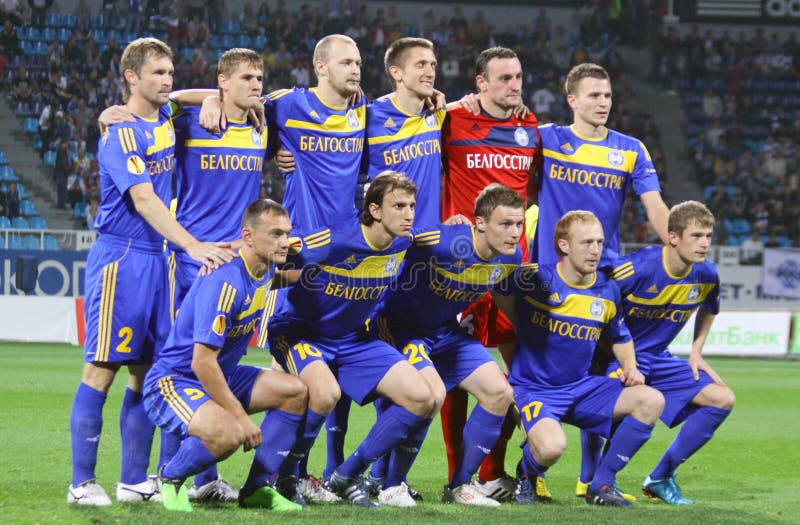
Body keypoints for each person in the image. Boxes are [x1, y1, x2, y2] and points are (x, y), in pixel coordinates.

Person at [98, 47, 273, 502]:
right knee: (185, 371)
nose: (256, 86)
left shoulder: (262, 125)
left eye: (260, 78)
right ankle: (161, 476)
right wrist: (205, 99)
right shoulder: (190, 123)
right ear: (222, 81)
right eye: (247, 78)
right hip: (193, 261)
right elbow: (159, 104)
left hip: (239, 263)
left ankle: (201, 479)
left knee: (221, 366)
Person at [67, 37, 232, 507]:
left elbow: (188, 97)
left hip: (157, 261)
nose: (167, 81)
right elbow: (143, 199)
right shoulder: (120, 133)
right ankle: (81, 483)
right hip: (123, 259)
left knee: (147, 373)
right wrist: (192, 244)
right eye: (157, 73)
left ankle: (133, 480)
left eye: (170, 73)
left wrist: (217, 96)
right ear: (131, 78)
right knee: (101, 369)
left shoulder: (164, 117)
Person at [529, 62, 670, 498]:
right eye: (593, 95)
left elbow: (654, 205)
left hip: (603, 278)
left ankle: (590, 478)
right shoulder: (547, 139)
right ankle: (529, 468)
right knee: (531, 374)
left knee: (605, 375)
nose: (603, 102)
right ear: (571, 100)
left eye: (607, 95)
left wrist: (676, 244)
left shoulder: (630, 149)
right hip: (545, 281)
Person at [267, 172, 437, 508]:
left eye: (412, 206)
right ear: (374, 210)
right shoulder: (335, 240)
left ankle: (346, 475)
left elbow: (448, 245)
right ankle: (286, 478)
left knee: (423, 398)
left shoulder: (405, 243)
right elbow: (276, 259)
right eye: (399, 206)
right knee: (326, 393)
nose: (409, 214)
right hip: (301, 330)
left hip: (352, 339)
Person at [144, 199, 308, 512]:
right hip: (174, 382)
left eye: (286, 233)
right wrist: (240, 416)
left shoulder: (264, 265)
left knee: (296, 392)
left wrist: (327, 277)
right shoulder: (224, 281)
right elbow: (201, 362)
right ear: (248, 237)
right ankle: (170, 477)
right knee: (229, 433)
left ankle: (256, 489)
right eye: (275, 234)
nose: (285, 242)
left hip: (224, 375)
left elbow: (275, 274)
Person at [494, 210, 665, 507]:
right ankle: (526, 472)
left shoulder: (608, 290)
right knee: (551, 449)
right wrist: (516, 324)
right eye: (586, 242)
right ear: (564, 245)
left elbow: (619, 336)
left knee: (651, 400)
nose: (595, 250)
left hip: (581, 387)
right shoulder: (536, 278)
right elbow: (496, 286)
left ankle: (600, 483)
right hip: (535, 389)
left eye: (599, 242)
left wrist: (630, 368)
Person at [370, 184, 523, 507]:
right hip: (402, 329)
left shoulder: (512, 257)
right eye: (506, 224)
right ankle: (383, 482)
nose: (514, 233)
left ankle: (458, 486)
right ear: (479, 223)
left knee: (499, 393)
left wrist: (529, 338)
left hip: (445, 333)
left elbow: (505, 295)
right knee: (421, 398)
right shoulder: (442, 242)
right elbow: (384, 244)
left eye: (519, 224)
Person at [439, 46, 541, 503]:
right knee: (458, 374)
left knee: (520, 372)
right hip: (461, 266)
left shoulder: (530, 126)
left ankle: (497, 471)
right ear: (480, 83)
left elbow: (536, 188)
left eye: (518, 77)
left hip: (511, 272)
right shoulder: (452, 120)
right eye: (503, 78)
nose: (514, 85)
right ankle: (457, 473)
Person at [589, 201, 735, 505]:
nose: (704, 243)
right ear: (673, 237)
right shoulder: (638, 267)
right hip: (615, 356)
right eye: (696, 235)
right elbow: (594, 298)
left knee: (722, 398)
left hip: (657, 359)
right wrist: (606, 353)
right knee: (633, 403)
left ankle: (660, 477)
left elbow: (710, 308)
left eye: (708, 235)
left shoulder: (706, 274)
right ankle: (599, 483)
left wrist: (696, 352)